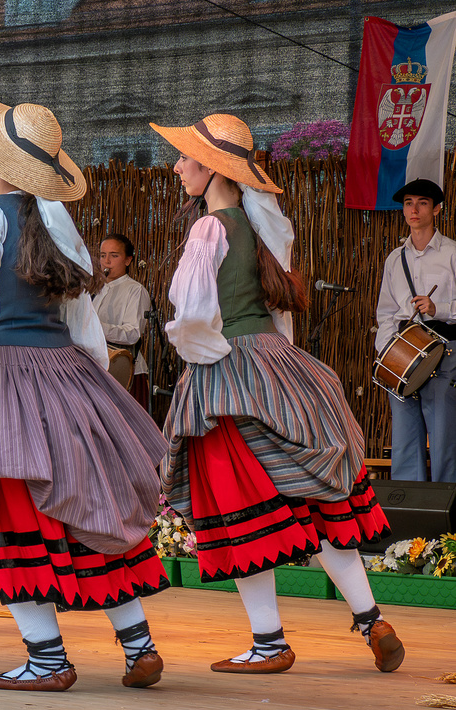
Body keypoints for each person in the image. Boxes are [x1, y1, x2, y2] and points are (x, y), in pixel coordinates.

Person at [0, 99, 170, 692]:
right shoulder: (57, 221)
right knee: (87, 502)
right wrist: (94, 380)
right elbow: (82, 319)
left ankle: (48, 659)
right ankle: (138, 644)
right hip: (64, 374)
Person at [153, 113, 404, 675]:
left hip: (227, 375)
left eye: (185, 158)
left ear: (212, 167)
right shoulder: (260, 226)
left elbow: (192, 314)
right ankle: (372, 621)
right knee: (317, 498)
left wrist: (204, 362)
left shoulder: (209, 228)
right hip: (279, 366)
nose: (177, 166)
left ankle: (269, 642)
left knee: (241, 507)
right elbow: (276, 316)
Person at [374, 178, 456, 482]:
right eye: (408, 203)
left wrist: (439, 309)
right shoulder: (395, 258)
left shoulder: (452, 254)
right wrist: (387, 351)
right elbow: (385, 313)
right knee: (405, 439)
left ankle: (448, 516)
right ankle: (408, 517)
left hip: (444, 352)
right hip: (401, 355)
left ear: (436, 209)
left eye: (422, 203)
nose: (414, 209)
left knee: (444, 437)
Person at [92, 232, 153, 409]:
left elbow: (133, 333)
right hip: (100, 368)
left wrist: (95, 328)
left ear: (128, 260)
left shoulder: (135, 290)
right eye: (103, 255)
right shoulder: (96, 290)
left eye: (114, 255)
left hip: (126, 371)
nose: (107, 261)